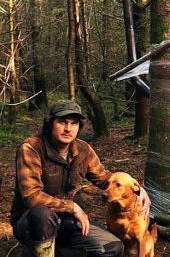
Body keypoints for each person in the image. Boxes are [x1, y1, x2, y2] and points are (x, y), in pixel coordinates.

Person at [11, 100, 151, 257]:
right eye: (62, 122)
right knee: (42, 215)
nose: (68, 129)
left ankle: (48, 253)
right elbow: (32, 196)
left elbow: (105, 178)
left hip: (66, 221)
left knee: (114, 247)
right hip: (31, 221)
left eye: (74, 123)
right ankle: (38, 249)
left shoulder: (83, 149)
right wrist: (73, 207)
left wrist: (138, 188)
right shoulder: (32, 148)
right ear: (50, 123)